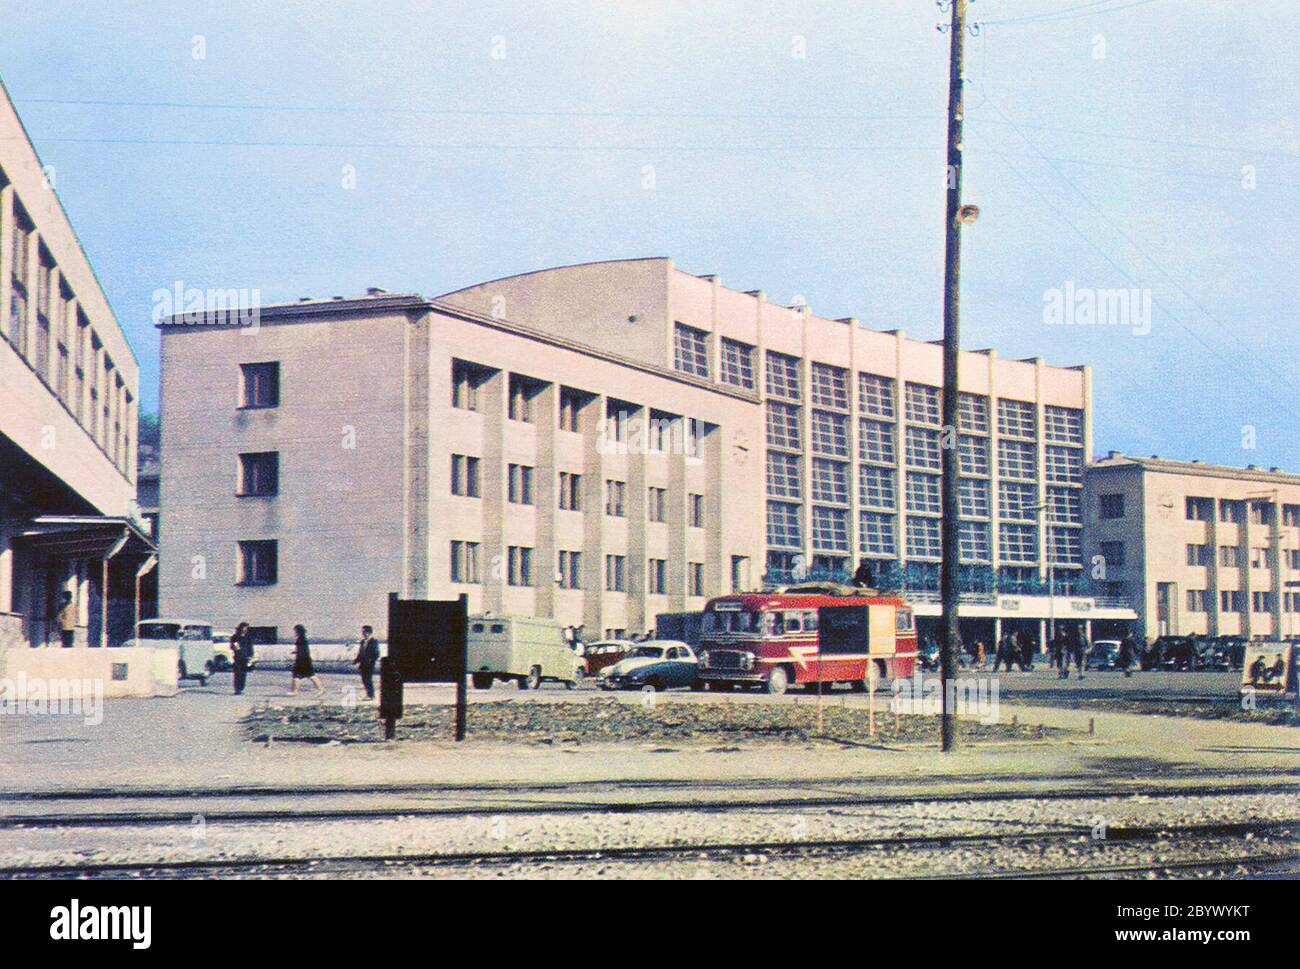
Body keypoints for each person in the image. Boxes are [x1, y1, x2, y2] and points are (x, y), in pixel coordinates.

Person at [289, 624, 325, 696]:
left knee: (297, 675)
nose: (294, 632)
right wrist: (296, 652)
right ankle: (321, 689)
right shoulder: (302, 639)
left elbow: (302, 650)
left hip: (301, 661)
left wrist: (297, 653)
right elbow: (304, 650)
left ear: (298, 631)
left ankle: (295, 691)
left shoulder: (300, 639)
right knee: (310, 675)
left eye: (295, 631)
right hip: (305, 660)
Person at [355, 625, 379, 700]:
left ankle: (371, 695)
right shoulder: (362, 642)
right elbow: (360, 653)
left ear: (369, 632)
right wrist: (355, 661)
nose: (363, 633)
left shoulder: (374, 641)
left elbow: (376, 653)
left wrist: (371, 661)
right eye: (363, 632)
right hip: (362, 664)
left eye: (365, 632)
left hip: (369, 665)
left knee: (368, 679)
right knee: (364, 680)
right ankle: (369, 694)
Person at [230, 622, 254, 695]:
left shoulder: (248, 637)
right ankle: (237, 689)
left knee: (243, 673)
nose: (245, 629)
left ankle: (241, 688)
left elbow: (250, 647)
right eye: (244, 627)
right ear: (241, 628)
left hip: (245, 658)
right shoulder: (235, 637)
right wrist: (239, 651)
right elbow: (234, 646)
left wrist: (250, 655)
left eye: (246, 628)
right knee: (237, 673)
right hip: (238, 657)